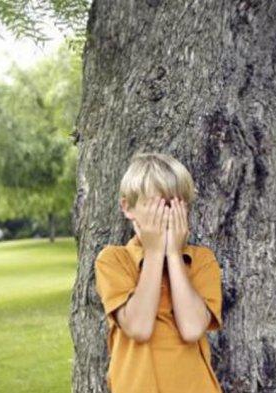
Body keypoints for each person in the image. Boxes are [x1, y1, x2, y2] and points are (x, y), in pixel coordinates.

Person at [95, 153, 223, 393]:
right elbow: (139, 328)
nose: (164, 216)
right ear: (127, 207)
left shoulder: (201, 260)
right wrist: (153, 254)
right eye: (154, 205)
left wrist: (174, 255)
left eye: (171, 205)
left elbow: (193, 329)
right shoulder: (114, 260)